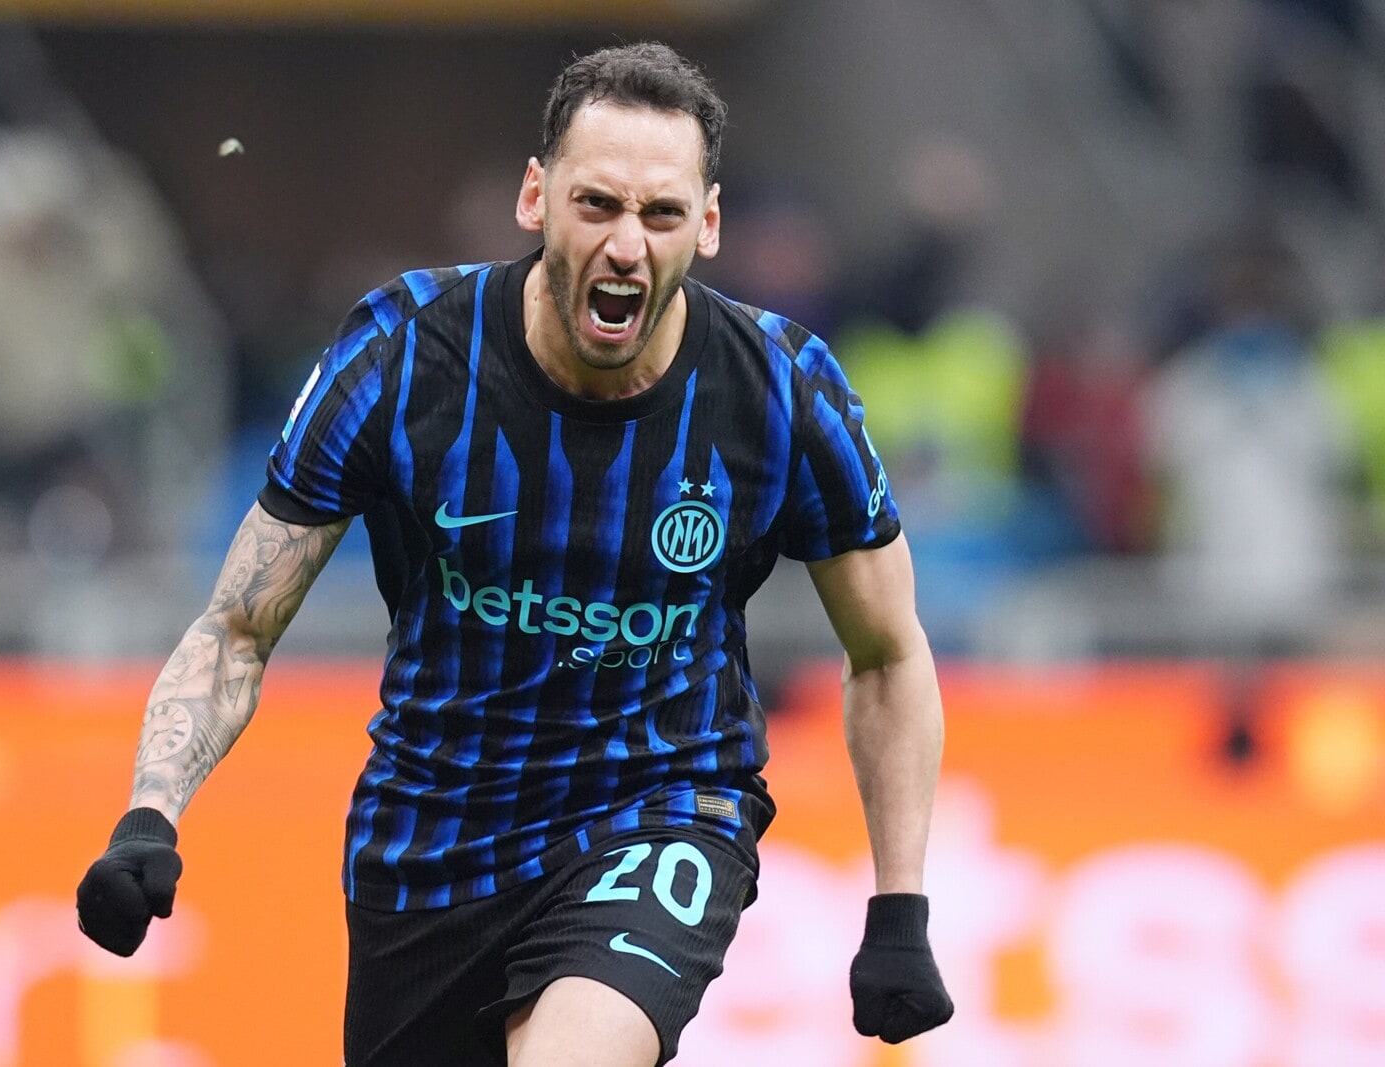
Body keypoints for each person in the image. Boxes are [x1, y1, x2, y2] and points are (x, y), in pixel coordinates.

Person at [76, 42, 953, 1066]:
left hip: (661, 809)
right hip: (430, 844)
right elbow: (238, 624)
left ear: (707, 225)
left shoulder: (781, 389)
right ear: (536, 198)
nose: (626, 244)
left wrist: (900, 904)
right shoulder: (404, 355)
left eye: (662, 214)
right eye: (598, 205)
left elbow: (888, 650)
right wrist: (149, 814)